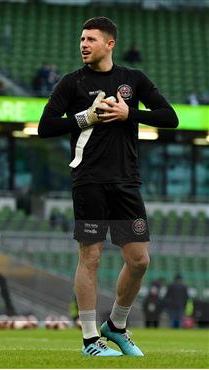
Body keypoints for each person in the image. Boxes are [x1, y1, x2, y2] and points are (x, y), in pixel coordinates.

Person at [38, 17, 178, 356]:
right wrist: (87, 117)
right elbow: (45, 127)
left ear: (109, 44)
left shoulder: (133, 80)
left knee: (140, 260)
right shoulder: (72, 83)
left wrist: (131, 113)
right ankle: (89, 340)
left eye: (91, 39)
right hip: (89, 181)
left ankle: (116, 325)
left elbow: (169, 118)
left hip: (127, 183)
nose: (84, 44)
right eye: (81, 38)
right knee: (91, 256)